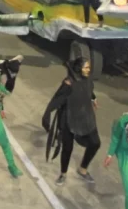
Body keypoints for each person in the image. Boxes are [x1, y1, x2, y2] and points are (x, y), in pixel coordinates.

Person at [42, 57, 100, 186]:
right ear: (79, 68)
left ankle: (82, 169)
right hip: (69, 118)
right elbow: (57, 99)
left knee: (95, 143)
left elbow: (88, 90)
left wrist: (93, 98)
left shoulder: (88, 80)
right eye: (86, 67)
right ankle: (63, 174)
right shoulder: (68, 83)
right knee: (67, 148)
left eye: (89, 67)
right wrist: (47, 116)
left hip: (85, 117)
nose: (88, 70)